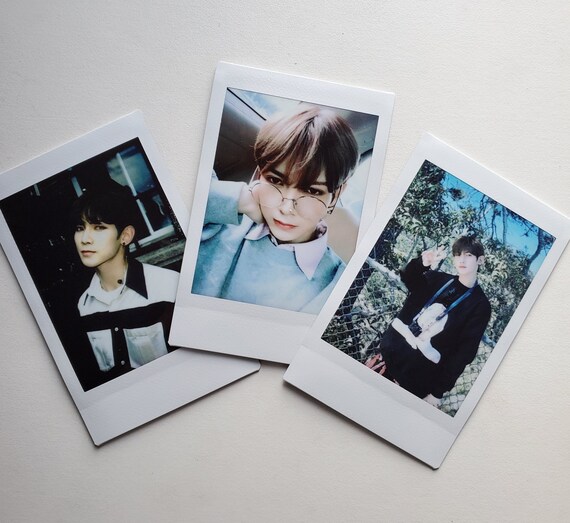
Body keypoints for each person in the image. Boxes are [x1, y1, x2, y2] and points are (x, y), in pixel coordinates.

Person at [192, 105, 359, 314]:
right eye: (275, 181)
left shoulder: (335, 286)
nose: (287, 208)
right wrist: (241, 199)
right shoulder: (223, 218)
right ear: (259, 174)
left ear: (337, 194)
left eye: (312, 191)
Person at [366, 236, 492, 408]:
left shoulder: (480, 306)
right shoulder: (438, 279)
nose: (461, 260)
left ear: (480, 260)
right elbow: (409, 278)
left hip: (413, 381)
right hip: (384, 361)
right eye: (457, 255)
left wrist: (437, 392)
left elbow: (464, 353)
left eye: (468, 255)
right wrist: (422, 263)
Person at [71, 185, 179, 383]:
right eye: (80, 228)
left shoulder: (168, 286)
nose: (85, 239)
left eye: (99, 227)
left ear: (125, 236)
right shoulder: (84, 304)